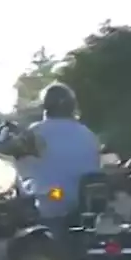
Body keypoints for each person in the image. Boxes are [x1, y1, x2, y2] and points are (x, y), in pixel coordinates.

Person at [18, 82, 103, 227]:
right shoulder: (88, 133)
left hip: (54, 199)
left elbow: (22, 169)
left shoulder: (34, 132)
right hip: (84, 202)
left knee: (24, 194)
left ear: (45, 106)